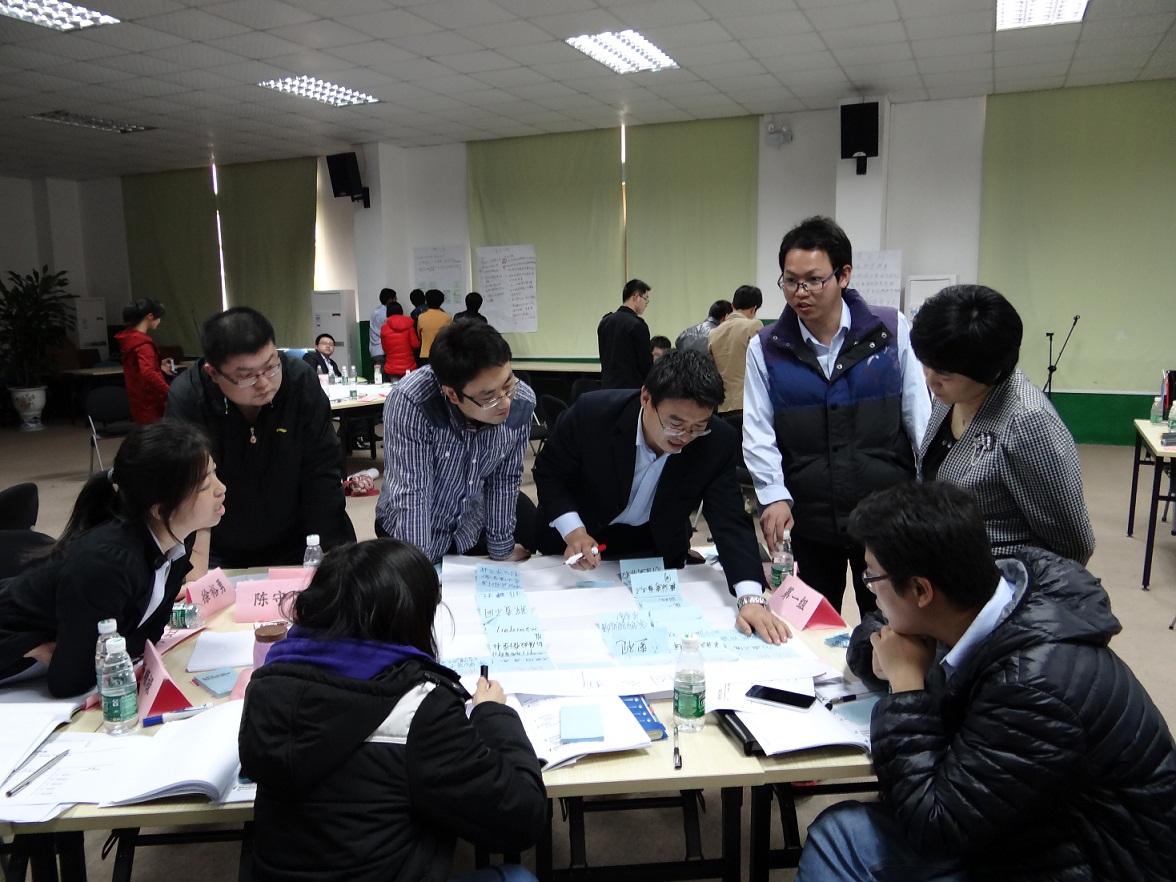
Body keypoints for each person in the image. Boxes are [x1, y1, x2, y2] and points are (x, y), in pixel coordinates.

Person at [796, 480, 1176, 882]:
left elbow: (935, 828)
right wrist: (884, 657)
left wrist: (906, 683)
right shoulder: (984, 593)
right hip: (1036, 819)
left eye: (872, 578)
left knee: (840, 838)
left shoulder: (1032, 687)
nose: (870, 592)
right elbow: (876, 631)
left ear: (921, 590)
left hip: (1097, 859)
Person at [239, 538, 546, 882]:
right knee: (518, 877)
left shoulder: (266, 685)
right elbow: (521, 817)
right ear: (410, 616)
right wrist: (493, 714)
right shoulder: (417, 706)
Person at [533, 349, 788, 644]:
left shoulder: (716, 441)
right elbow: (550, 473)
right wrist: (574, 531)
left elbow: (729, 519)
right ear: (646, 398)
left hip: (653, 550)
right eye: (674, 423)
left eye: (697, 427)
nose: (684, 437)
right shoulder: (593, 414)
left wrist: (750, 598)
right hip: (579, 544)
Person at [743, 216, 930, 616]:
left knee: (892, 625)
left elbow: (921, 418)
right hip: (807, 519)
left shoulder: (890, 330)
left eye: (814, 280)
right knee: (805, 625)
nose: (800, 293)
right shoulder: (766, 348)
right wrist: (773, 495)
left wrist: (926, 494)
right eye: (790, 281)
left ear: (843, 275)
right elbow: (758, 430)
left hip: (885, 517)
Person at [0, 421, 225, 697]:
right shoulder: (110, 564)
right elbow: (70, 681)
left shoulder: (176, 538)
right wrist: (47, 648)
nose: (221, 489)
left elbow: (147, 637)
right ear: (160, 509)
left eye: (215, 473)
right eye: (204, 486)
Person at [910, 284, 1095, 564]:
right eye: (926, 364)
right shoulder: (952, 395)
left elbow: (1073, 544)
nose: (930, 380)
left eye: (945, 374)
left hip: (998, 579)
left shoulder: (1027, 422)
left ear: (992, 371)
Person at [166, 307, 355, 568]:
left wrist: (331, 554)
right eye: (246, 376)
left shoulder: (300, 381)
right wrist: (194, 567)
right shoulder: (188, 397)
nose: (264, 383)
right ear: (213, 373)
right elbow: (191, 488)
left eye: (271, 367)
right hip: (220, 544)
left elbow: (322, 471)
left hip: (298, 538)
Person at [375, 320, 536, 565]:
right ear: (452, 394)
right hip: (409, 534)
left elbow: (504, 480)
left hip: (468, 531)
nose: (505, 402)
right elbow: (412, 493)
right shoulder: (413, 401)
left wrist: (502, 549)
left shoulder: (521, 401)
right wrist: (418, 571)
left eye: (508, 384)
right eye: (489, 397)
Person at [707, 285, 762, 434]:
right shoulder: (754, 325)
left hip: (724, 406)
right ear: (754, 309)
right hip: (749, 404)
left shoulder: (714, 332)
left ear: (733, 306)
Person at [115, 298, 175, 424]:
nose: (160, 321)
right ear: (150, 316)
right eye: (159, 317)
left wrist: (158, 365)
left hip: (138, 399)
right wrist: (170, 392)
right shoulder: (143, 344)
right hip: (150, 402)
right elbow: (148, 373)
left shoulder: (129, 338)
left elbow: (136, 366)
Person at [598, 279, 653, 389]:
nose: (646, 305)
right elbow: (645, 364)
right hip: (631, 390)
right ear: (636, 297)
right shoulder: (638, 325)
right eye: (646, 299)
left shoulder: (604, 322)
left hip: (607, 389)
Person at [380, 302, 419, 380]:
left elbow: (385, 348)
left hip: (392, 367)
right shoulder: (409, 326)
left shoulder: (384, 328)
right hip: (409, 366)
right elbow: (415, 345)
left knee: (394, 386)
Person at [416, 288, 453, 366]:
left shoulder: (421, 317)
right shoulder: (447, 317)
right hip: (442, 352)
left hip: (425, 353)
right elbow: (450, 335)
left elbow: (419, 336)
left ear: (426, 301)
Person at [367, 287, 396, 369]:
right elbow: (386, 332)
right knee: (382, 375)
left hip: (375, 349)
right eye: (395, 298)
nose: (396, 300)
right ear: (390, 299)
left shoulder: (376, 310)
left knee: (379, 374)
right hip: (381, 349)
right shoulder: (385, 313)